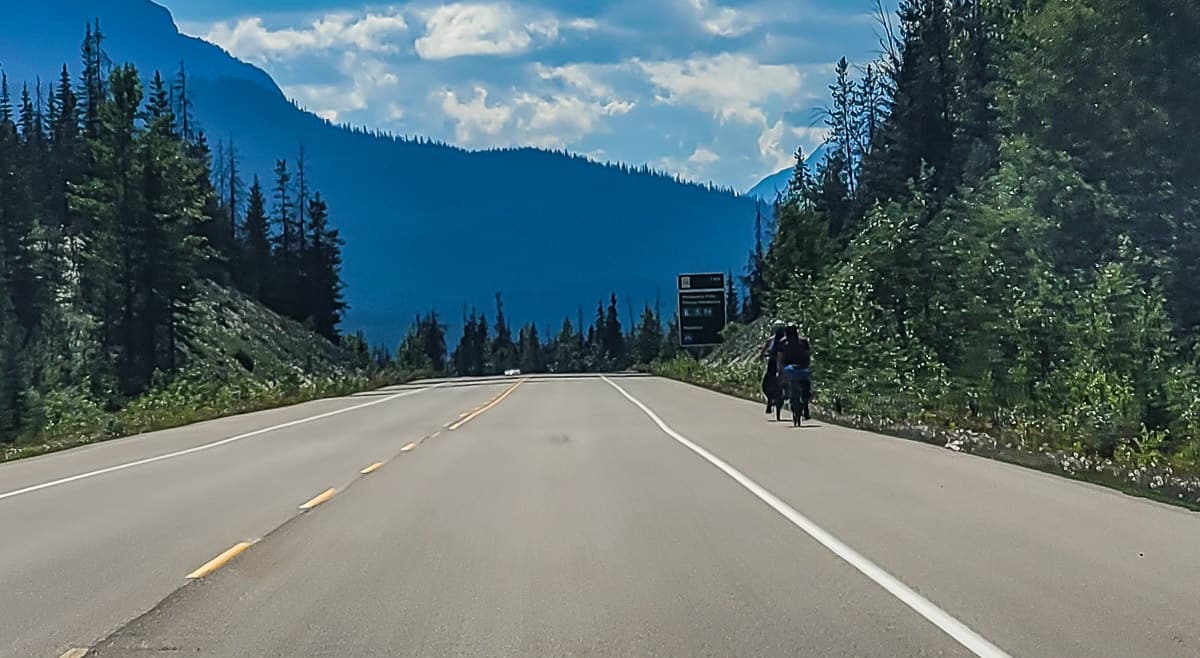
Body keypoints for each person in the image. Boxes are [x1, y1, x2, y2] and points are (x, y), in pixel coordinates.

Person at [776, 324, 812, 427]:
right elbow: (807, 356)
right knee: (805, 388)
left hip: (795, 368)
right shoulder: (801, 341)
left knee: (804, 389)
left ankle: (803, 406)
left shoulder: (785, 341)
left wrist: (780, 370)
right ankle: (804, 407)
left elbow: (780, 358)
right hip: (797, 368)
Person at [760, 320, 786, 419]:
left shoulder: (772, 340)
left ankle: (770, 401)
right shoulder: (786, 339)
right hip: (781, 363)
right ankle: (771, 400)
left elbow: (763, 350)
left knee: (766, 381)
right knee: (767, 380)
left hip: (775, 362)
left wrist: (762, 355)